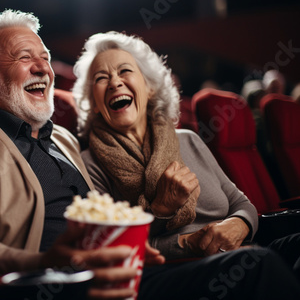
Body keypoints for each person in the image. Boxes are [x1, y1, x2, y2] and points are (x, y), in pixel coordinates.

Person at [0, 12, 300, 299]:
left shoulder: (63, 140)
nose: (44, 68)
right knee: (257, 266)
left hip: (123, 276)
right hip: (63, 286)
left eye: (46, 56)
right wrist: (53, 262)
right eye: (24, 57)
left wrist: (137, 248)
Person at [72, 31, 300, 280]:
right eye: (101, 78)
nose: (115, 82)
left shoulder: (188, 139)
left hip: (244, 248)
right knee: (261, 263)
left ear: (149, 87)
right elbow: (115, 246)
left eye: (124, 71)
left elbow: (241, 203)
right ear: (93, 102)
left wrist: (240, 224)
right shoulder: (89, 163)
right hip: (181, 270)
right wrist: (162, 213)